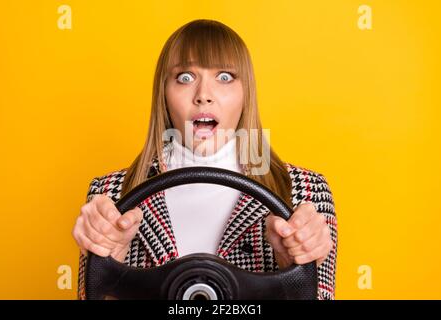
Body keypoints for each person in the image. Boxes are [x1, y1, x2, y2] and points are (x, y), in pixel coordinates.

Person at [72, 19, 338, 300]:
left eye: (224, 77)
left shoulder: (304, 192)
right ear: (163, 93)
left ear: (246, 92)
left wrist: (297, 269)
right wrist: (110, 263)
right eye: (185, 77)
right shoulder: (110, 194)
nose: (203, 96)